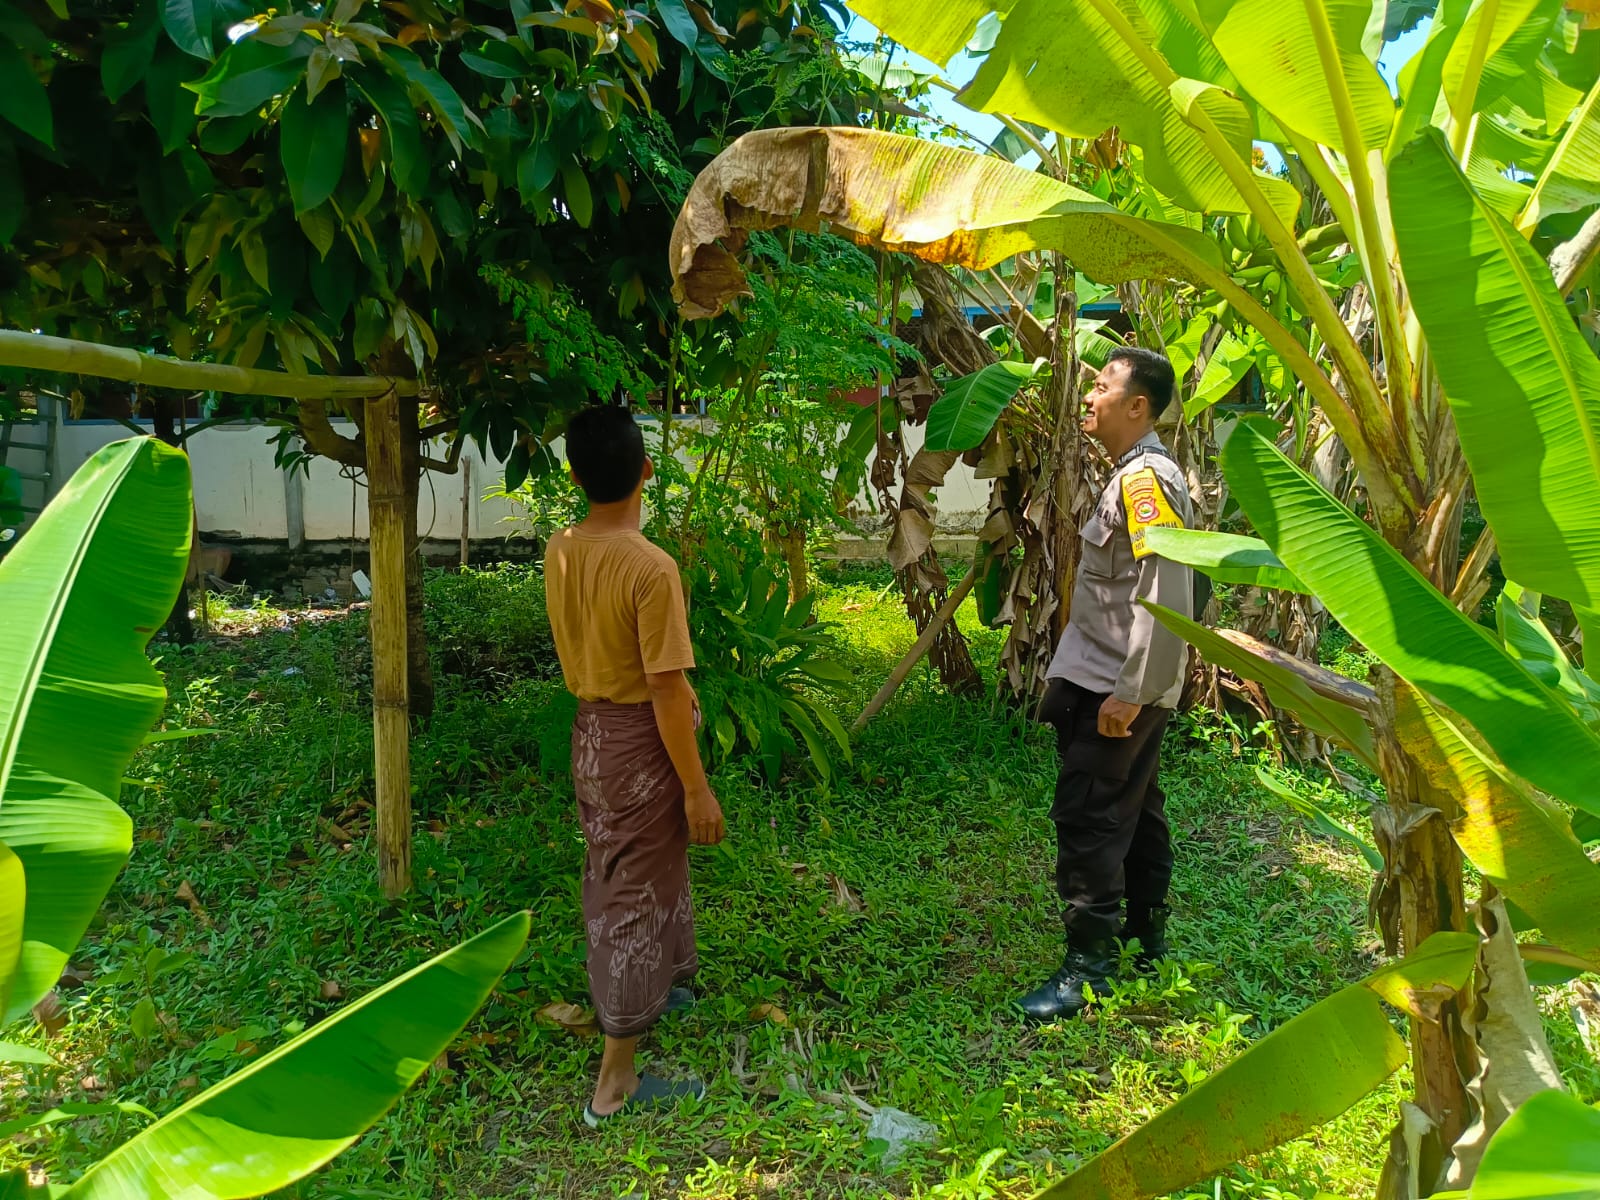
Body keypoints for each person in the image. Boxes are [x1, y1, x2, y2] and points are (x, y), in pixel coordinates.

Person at [543, 404, 727, 1125]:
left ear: (575, 475)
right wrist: (697, 787)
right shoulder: (650, 567)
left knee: (633, 866)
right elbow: (664, 687)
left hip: (591, 735)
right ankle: (614, 1085)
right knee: (630, 893)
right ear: (646, 470)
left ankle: (667, 985)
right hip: (637, 742)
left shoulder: (563, 547)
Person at [1016, 346, 1195, 1024]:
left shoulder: (1146, 482)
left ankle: (1087, 969)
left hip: (1117, 684)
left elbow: (1168, 584)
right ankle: (1146, 939)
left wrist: (1134, 690)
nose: (1087, 395)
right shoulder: (1133, 474)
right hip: (1117, 675)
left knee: (1091, 816)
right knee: (1136, 806)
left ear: (1137, 405)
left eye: (1101, 385)